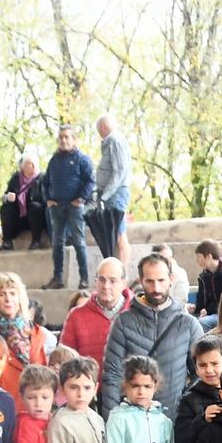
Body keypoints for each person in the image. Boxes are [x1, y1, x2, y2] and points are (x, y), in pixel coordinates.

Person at [101, 251, 203, 415]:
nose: (156, 288)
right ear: (141, 280)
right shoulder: (123, 322)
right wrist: (112, 419)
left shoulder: (188, 324)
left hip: (175, 420)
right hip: (133, 420)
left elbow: (201, 374)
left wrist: (187, 409)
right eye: (149, 281)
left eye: (161, 280)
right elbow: (113, 375)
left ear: (171, 278)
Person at [0, 271, 49, 395]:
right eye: (2, 294)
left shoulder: (35, 332)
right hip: (0, 405)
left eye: (13, 293)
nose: (8, 299)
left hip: (32, 405)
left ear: (20, 297)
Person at [42, 125, 96, 291]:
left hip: (75, 207)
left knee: (79, 242)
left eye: (67, 137)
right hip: (57, 207)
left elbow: (90, 181)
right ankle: (57, 278)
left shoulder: (82, 159)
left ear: (73, 139)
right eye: (61, 137)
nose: (64, 140)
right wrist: (48, 199)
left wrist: (81, 199)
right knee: (57, 243)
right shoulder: (54, 160)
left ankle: (84, 278)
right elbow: (45, 183)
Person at [61, 262, 128, 382]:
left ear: (124, 283)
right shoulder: (76, 315)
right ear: (95, 281)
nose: (106, 286)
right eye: (101, 280)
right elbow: (65, 360)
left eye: (113, 281)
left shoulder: (136, 312)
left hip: (129, 393)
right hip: (87, 393)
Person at [90, 115, 133, 265]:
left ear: (102, 127)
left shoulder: (115, 140)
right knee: (113, 236)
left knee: (120, 235)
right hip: (110, 195)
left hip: (116, 194)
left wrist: (105, 195)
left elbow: (120, 171)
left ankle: (122, 274)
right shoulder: (110, 142)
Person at [0, 156, 48, 251]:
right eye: (27, 163)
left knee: (35, 206)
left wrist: (33, 199)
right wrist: (8, 197)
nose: (30, 166)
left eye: (32, 164)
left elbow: (45, 198)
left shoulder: (42, 178)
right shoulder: (15, 178)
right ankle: (7, 241)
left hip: (35, 218)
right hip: (19, 217)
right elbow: (5, 197)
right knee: (6, 208)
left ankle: (36, 241)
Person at [191, 242, 222, 319]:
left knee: (203, 323)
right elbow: (201, 300)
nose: (197, 260)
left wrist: (208, 310)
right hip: (206, 313)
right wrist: (195, 308)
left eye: (199, 257)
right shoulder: (203, 277)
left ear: (209, 256)